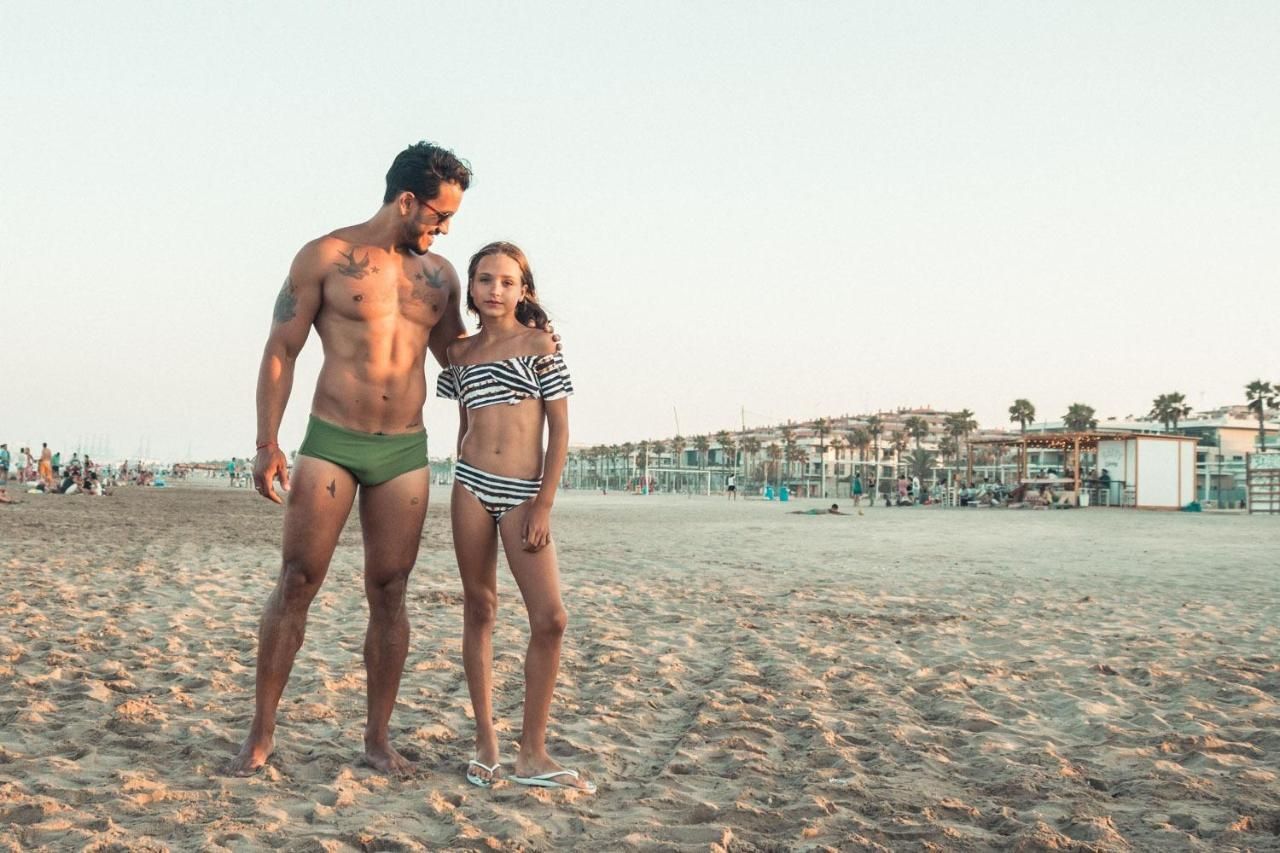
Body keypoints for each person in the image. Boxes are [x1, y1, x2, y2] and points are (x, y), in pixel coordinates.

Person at [229, 141, 553, 778]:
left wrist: (527, 339)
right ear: (407, 200)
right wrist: (267, 442)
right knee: (297, 580)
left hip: (404, 448)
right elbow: (280, 349)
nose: (446, 228)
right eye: (439, 215)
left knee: (390, 589)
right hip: (331, 441)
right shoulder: (324, 256)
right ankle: (259, 737)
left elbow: (460, 354)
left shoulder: (440, 278)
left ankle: (377, 741)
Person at [438, 241, 592, 792]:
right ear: (472, 291)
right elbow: (465, 422)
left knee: (550, 618)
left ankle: (533, 751)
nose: (494, 290)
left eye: (506, 281)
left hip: (525, 492)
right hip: (470, 488)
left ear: (523, 289)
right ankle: (487, 744)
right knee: (479, 607)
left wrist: (544, 504)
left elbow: (560, 431)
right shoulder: (458, 354)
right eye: (484, 280)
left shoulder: (542, 345)